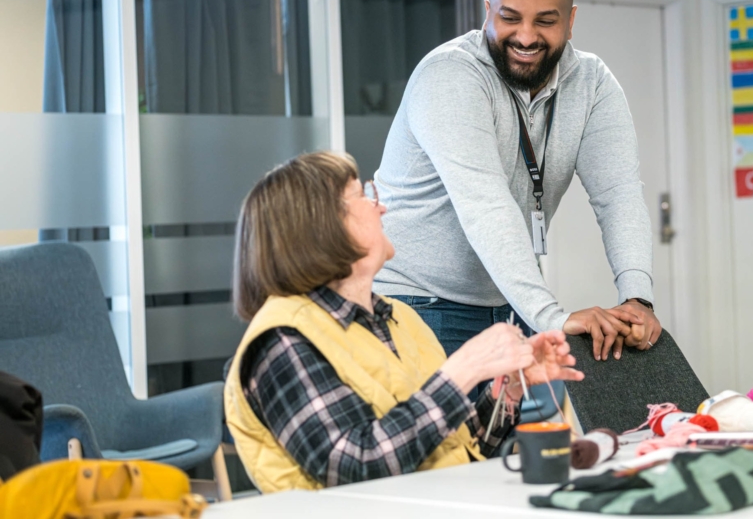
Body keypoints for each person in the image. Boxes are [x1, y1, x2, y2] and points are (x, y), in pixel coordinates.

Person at [223, 151, 583, 493]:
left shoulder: (399, 319)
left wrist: (506, 392)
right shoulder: (281, 340)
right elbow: (356, 467)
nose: (381, 206)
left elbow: (452, 453)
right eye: (362, 195)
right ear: (319, 227)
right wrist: (463, 371)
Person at [374, 0, 662, 363]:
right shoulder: (450, 76)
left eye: (545, 21)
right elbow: (486, 204)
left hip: (510, 304)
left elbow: (618, 195)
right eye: (510, 18)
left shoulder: (592, 83)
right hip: (418, 302)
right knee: (447, 432)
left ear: (570, 21)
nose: (526, 36)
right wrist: (551, 316)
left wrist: (638, 296)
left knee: (526, 432)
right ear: (488, 11)